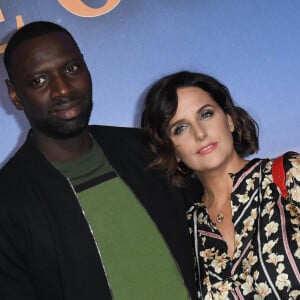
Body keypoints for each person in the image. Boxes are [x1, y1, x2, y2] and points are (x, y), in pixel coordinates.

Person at [0, 22, 199, 300]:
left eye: (71, 69)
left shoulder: (148, 148)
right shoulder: (8, 201)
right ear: (14, 95)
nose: (62, 90)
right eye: (39, 81)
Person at [141, 70, 300, 299]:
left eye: (205, 114)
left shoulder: (287, 174)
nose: (200, 133)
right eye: (180, 128)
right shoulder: (186, 229)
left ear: (230, 120)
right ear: (171, 150)